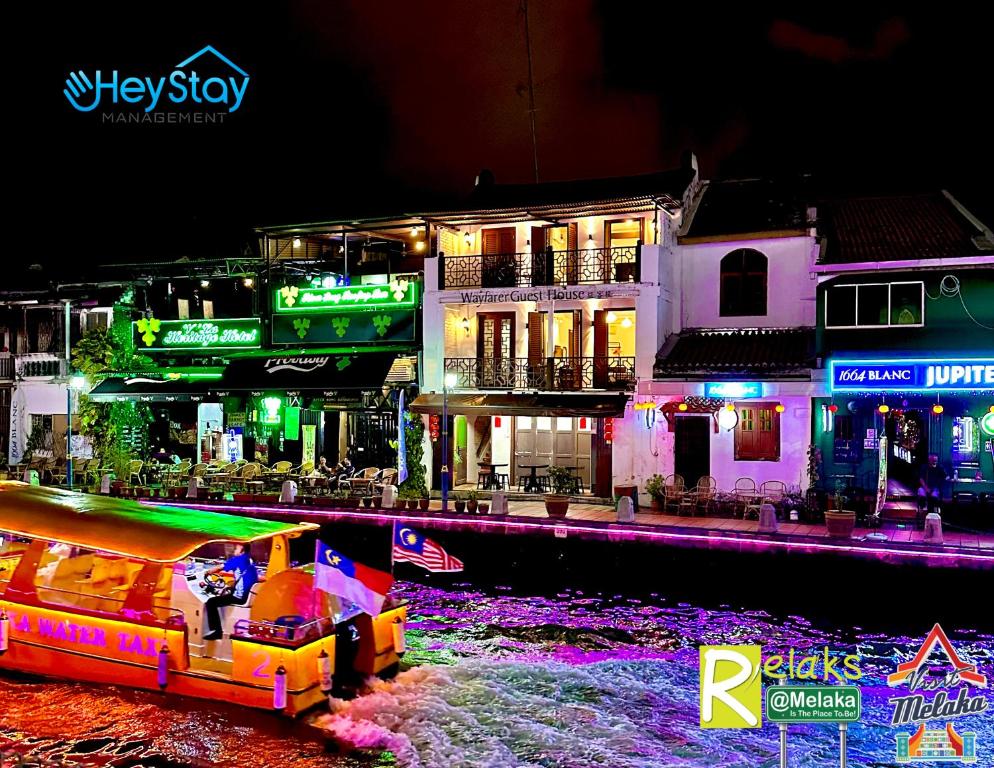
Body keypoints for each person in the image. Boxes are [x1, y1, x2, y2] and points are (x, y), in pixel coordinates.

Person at [202, 544, 259, 641]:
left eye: (236, 548)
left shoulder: (238, 559)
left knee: (211, 602)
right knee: (223, 594)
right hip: (246, 596)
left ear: (242, 550)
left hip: (239, 597)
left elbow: (220, 568)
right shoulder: (250, 560)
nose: (234, 550)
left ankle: (217, 631)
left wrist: (207, 572)